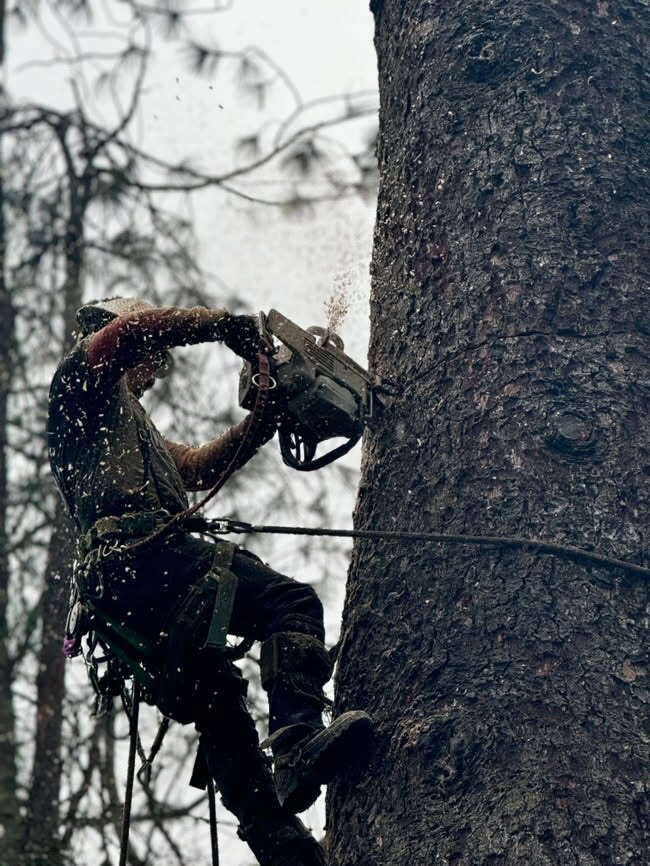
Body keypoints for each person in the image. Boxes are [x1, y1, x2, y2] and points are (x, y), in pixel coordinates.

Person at [47, 297, 372, 866]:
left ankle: (282, 846)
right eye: (152, 362)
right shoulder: (81, 386)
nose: (154, 375)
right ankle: (296, 740)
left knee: (219, 702)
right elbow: (128, 334)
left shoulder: (131, 426)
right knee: (287, 600)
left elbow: (198, 467)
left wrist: (264, 418)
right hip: (139, 559)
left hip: (133, 591)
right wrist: (224, 326)